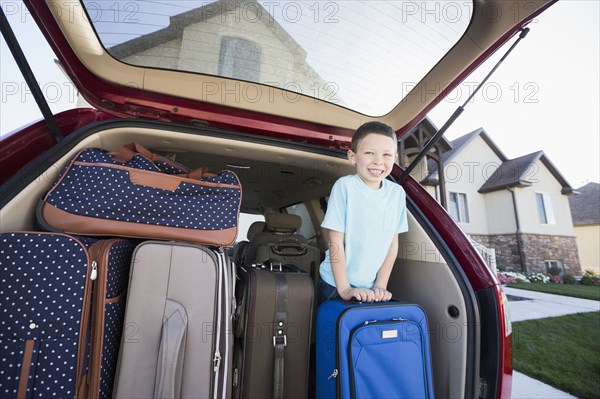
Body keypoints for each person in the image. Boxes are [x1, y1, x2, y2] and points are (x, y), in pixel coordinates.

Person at [318, 121, 408, 305]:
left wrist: (381, 285)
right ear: (352, 156)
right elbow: (335, 241)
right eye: (369, 153)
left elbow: (392, 245)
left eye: (386, 154)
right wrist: (344, 288)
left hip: (369, 288)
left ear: (395, 158)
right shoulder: (345, 187)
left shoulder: (397, 193)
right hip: (334, 284)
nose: (378, 161)